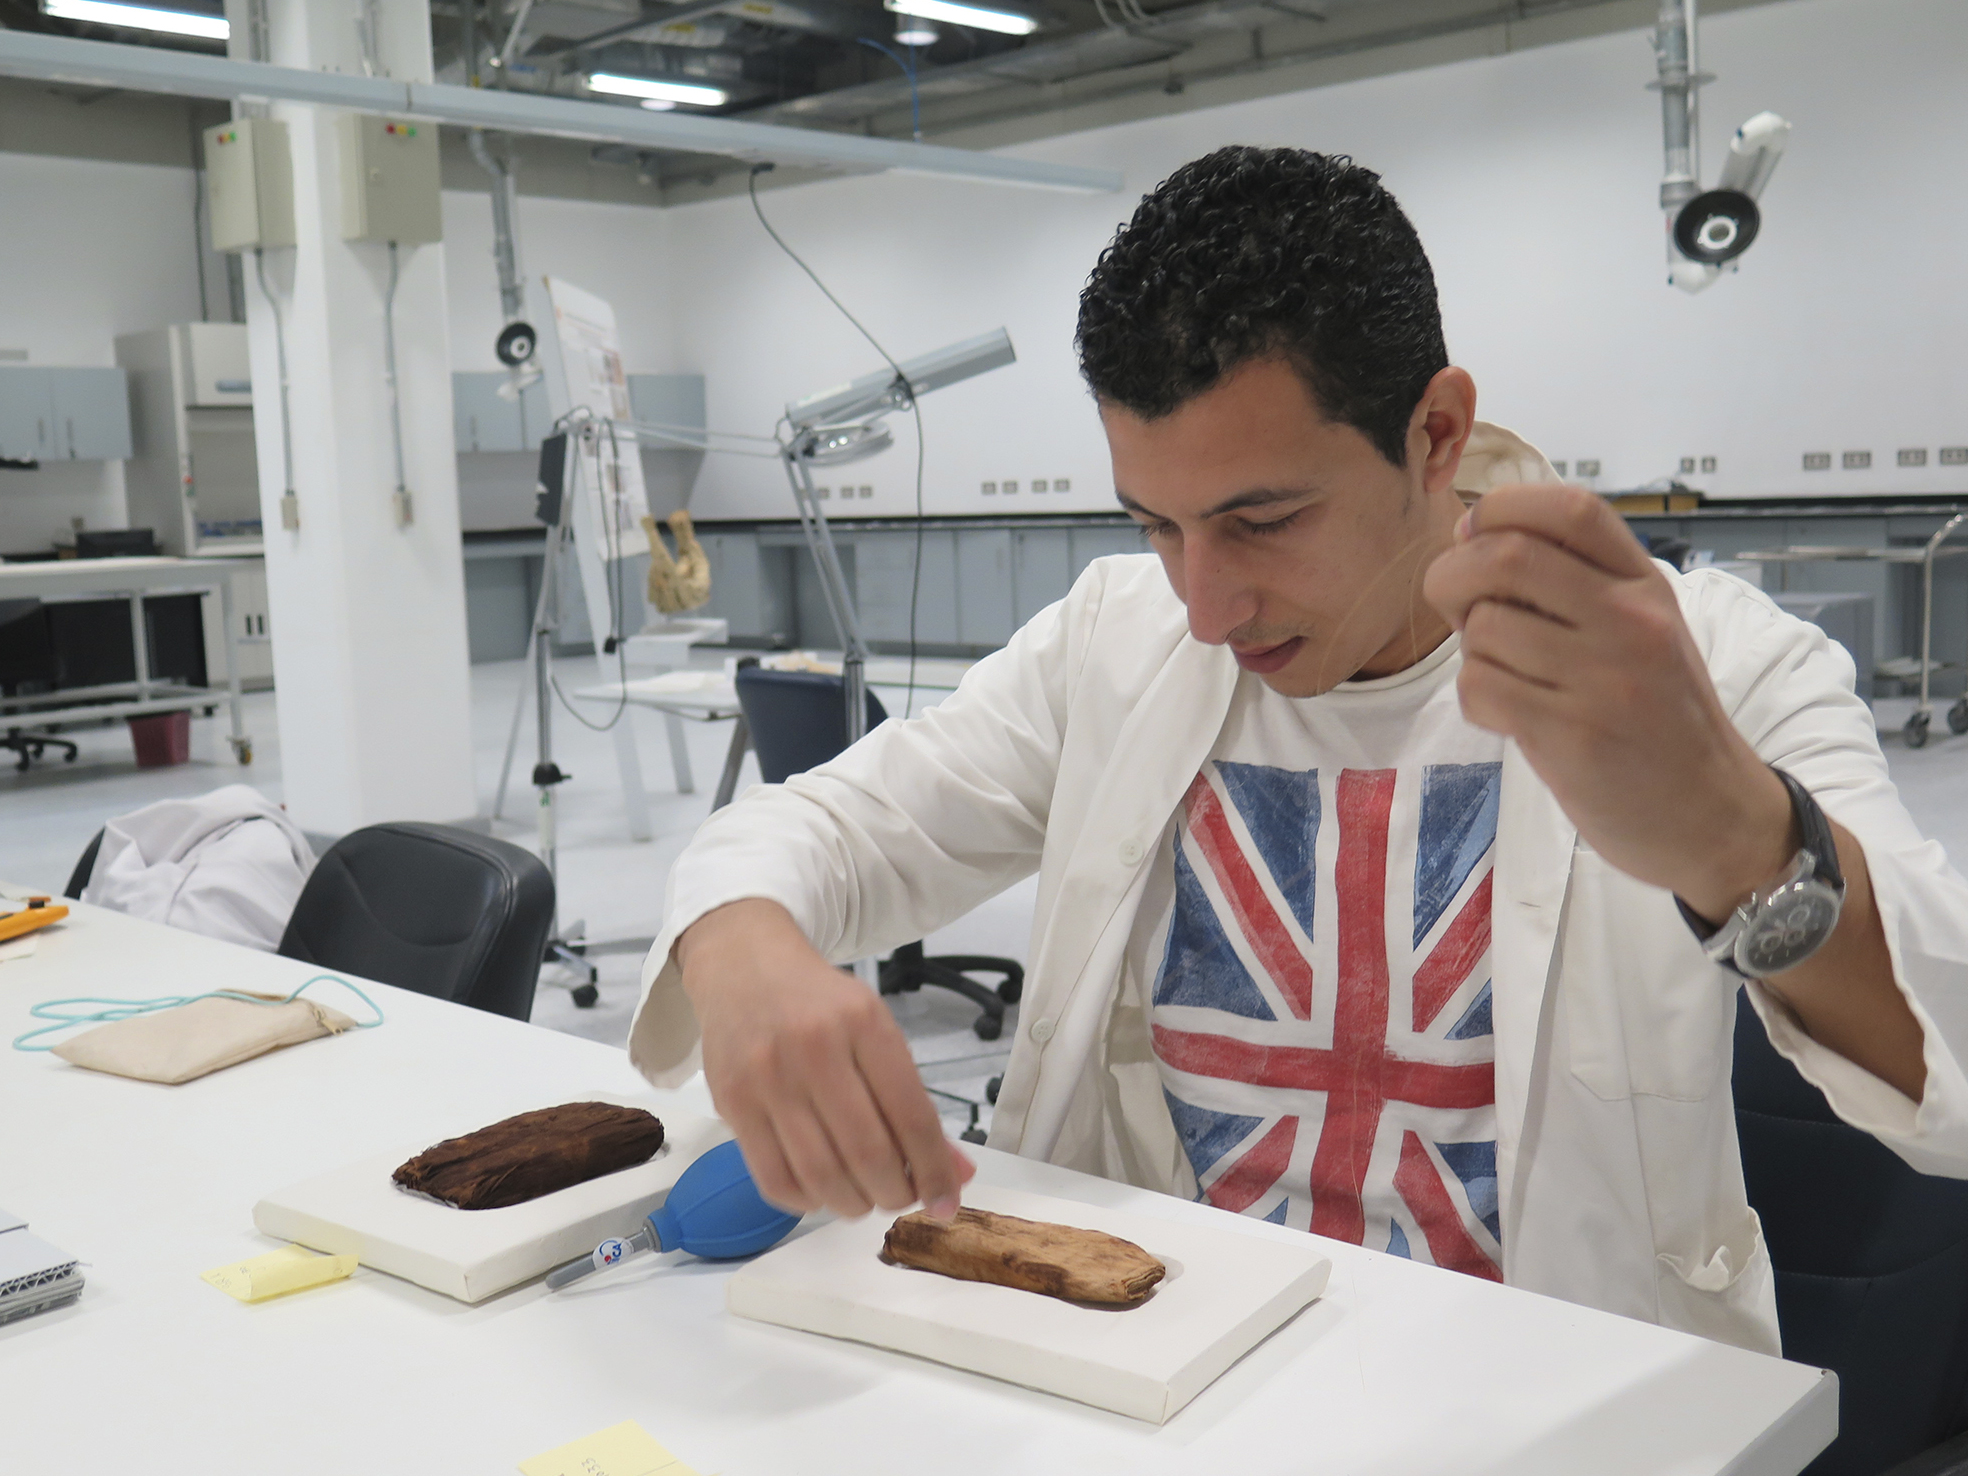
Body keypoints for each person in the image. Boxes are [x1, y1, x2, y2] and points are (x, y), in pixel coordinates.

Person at [629, 146, 1968, 1353]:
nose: (1205, 605)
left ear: (1435, 435)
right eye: (1157, 524)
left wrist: (1742, 841)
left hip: (1536, 1395)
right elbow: (813, 832)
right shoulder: (1117, 644)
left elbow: (1955, 1067)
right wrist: (746, 951)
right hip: (1161, 1374)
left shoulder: (1703, 668)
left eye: (1261, 519)